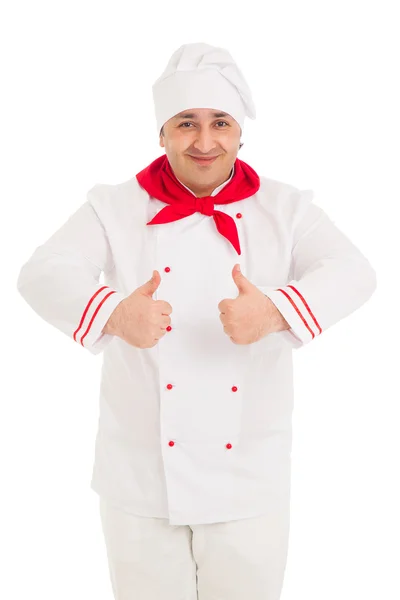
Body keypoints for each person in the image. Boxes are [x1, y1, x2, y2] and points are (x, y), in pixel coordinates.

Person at [16, 42, 377, 600]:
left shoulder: (287, 208)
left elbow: (354, 271)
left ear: (240, 132)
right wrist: (114, 313)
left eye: (220, 123)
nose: (205, 142)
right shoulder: (113, 206)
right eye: (186, 123)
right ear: (161, 133)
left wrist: (275, 309)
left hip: (248, 480)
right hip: (138, 479)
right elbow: (42, 272)